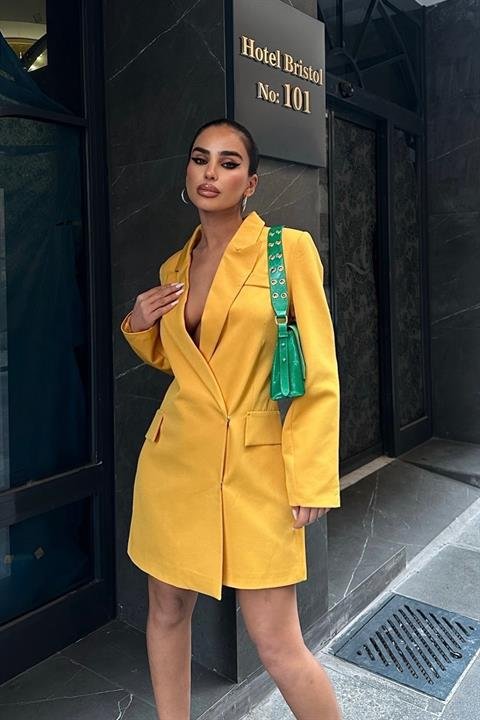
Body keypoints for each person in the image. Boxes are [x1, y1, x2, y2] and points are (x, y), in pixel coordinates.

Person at [120, 118, 342, 720]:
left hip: (257, 463)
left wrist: (312, 475)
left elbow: (321, 371)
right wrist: (139, 324)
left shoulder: (287, 251)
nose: (211, 173)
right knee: (167, 610)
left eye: (228, 162)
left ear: (251, 182)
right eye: (200, 159)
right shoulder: (174, 267)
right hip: (175, 461)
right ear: (187, 172)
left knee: (279, 645)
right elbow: (185, 365)